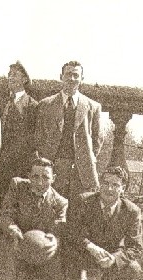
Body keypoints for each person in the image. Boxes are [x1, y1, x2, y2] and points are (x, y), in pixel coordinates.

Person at [65, 166, 143, 280]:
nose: (109, 189)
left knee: (133, 267)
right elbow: (71, 231)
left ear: (123, 189)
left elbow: (135, 247)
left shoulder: (131, 211)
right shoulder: (84, 201)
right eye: (105, 183)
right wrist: (90, 246)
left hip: (109, 256)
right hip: (84, 252)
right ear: (100, 184)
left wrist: (114, 258)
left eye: (115, 185)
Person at [35, 60, 103, 199]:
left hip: (82, 170)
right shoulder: (46, 104)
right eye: (68, 75)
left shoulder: (92, 107)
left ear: (81, 79)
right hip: (53, 167)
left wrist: (85, 157)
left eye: (76, 75)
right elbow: (39, 137)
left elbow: (97, 139)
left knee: (79, 210)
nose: (71, 79)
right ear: (61, 77)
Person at [0, 157, 68, 280]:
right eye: (35, 177)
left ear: (54, 178)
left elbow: (59, 228)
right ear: (29, 176)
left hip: (41, 252)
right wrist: (12, 229)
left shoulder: (61, 203)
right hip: (15, 244)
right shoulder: (17, 186)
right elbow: (4, 214)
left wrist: (53, 239)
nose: (40, 183)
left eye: (45, 178)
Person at [0, 61, 38, 211]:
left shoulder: (32, 105)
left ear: (24, 79)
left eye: (15, 74)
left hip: (19, 164)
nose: (10, 77)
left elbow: (31, 138)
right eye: (9, 74)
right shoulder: (1, 101)